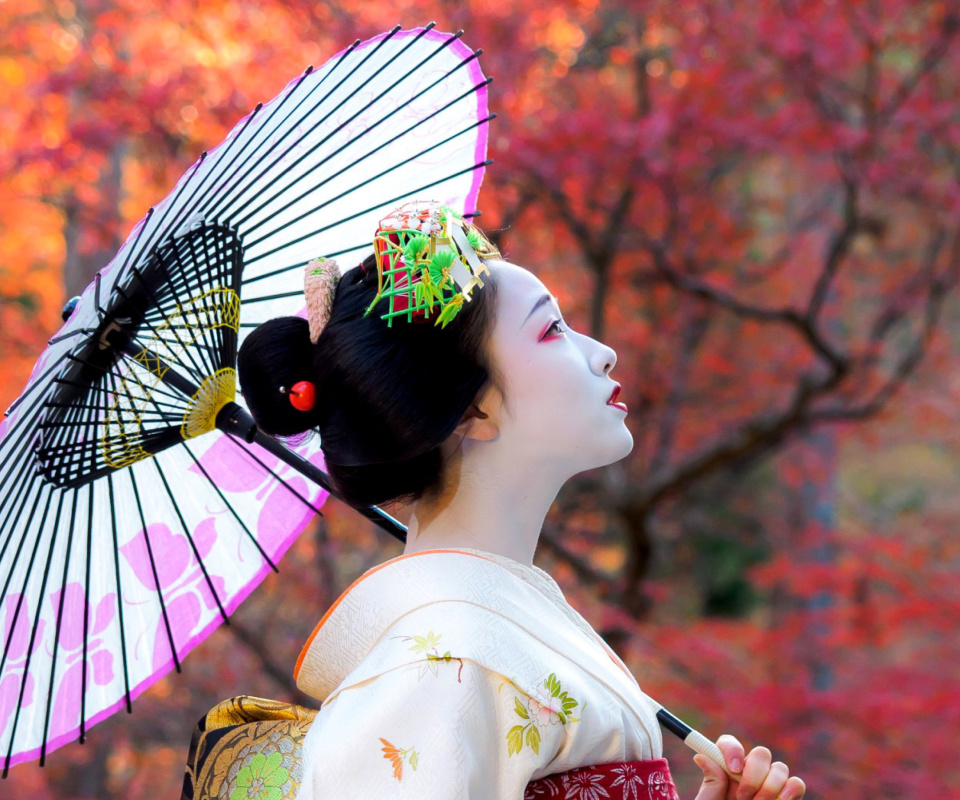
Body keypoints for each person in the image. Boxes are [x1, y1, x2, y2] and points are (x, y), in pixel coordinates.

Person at [199, 201, 806, 800]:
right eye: (551, 330)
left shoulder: (485, 637)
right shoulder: (444, 665)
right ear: (472, 409)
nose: (602, 352)